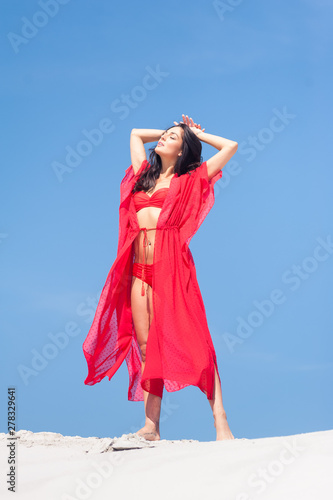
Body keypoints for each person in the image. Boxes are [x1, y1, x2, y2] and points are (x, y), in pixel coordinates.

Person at [82, 114, 238, 441]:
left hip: (172, 266)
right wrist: (172, 129)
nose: (164, 138)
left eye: (172, 137)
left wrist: (193, 133)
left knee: (196, 340)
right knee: (144, 345)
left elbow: (231, 146)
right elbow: (136, 134)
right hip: (138, 268)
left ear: (183, 150)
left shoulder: (192, 177)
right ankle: (151, 426)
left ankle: (219, 418)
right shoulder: (143, 174)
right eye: (165, 135)